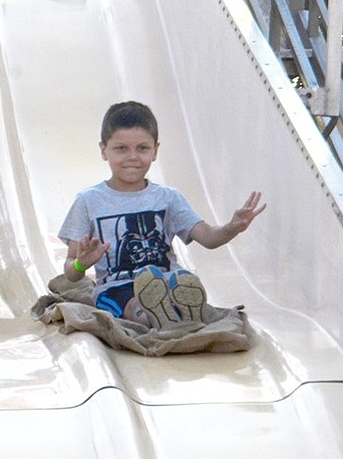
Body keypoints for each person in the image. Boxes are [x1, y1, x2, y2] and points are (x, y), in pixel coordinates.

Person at [58, 101, 265, 328]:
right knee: (134, 308)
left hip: (168, 281)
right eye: (121, 148)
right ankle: (168, 316)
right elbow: (71, 272)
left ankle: (177, 310)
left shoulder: (168, 197)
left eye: (142, 148)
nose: (132, 157)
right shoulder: (88, 201)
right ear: (103, 150)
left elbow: (208, 238)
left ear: (155, 151)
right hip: (116, 288)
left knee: (177, 291)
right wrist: (81, 263)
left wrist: (233, 226)